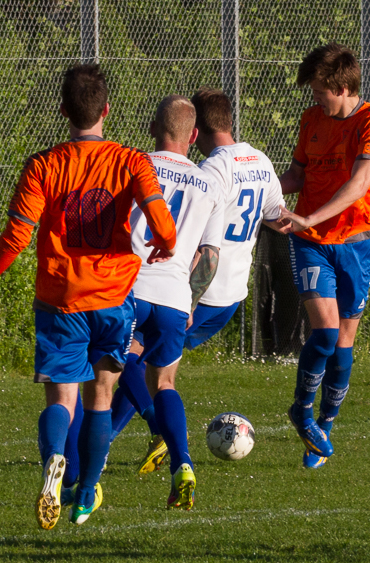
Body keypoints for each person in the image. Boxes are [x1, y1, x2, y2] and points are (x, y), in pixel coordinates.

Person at [0, 64, 177, 529]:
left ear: (63, 111)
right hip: (113, 297)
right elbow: (162, 222)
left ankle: (56, 457)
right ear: (106, 110)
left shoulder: (43, 165)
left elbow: (17, 235)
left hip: (60, 299)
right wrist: (166, 243)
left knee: (61, 398)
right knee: (102, 396)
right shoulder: (132, 161)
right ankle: (87, 492)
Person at [110, 88, 289, 478]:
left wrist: (190, 298)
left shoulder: (211, 170)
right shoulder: (259, 159)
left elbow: (203, 248)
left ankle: (129, 436)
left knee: (132, 360)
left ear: (198, 133)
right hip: (231, 294)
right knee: (151, 366)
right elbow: (279, 217)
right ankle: (134, 438)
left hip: (191, 289)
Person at [279, 43, 370, 469]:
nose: (314, 98)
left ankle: (324, 427)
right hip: (311, 241)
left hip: (357, 242)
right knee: (325, 333)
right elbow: (297, 175)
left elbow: (360, 184)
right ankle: (302, 411)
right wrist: (257, 191)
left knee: (344, 341)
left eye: (319, 90)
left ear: (342, 87)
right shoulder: (312, 119)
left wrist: (309, 216)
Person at [109, 95, 225, 509]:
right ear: (193, 137)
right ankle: (183, 463)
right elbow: (209, 256)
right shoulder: (210, 184)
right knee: (164, 382)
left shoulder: (133, 164)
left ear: (152, 127)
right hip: (175, 297)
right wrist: (192, 302)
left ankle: (142, 432)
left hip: (129, 286)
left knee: (113, 365)